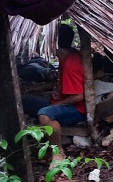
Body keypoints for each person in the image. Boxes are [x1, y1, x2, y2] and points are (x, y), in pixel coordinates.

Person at [22, 24, 86, 167]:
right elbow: (61, 84)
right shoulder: (67, 57)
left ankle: (58, 152)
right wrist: (37, 87)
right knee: (22, 100)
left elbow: (78, 96)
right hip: (57, 100)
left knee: (45, 114)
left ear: (52, 43)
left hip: (76, 109)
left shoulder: (71, 65)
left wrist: (53, 106)